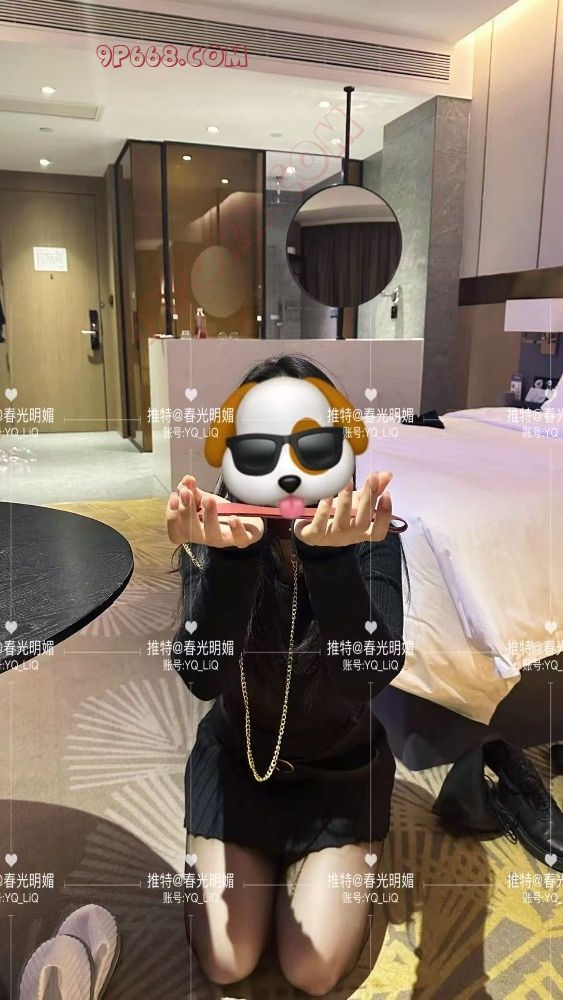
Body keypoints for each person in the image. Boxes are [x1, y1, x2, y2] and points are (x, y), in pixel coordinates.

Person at [166, 354, 407, 997]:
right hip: (239, 762)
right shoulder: (215, 531)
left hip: (340, 772)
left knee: (312, 969)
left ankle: (331, 859)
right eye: (258, 450)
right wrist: (232, 562)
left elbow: (367, 679)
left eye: (314, 447)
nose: (288, 472)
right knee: (227, 960)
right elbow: (201, 676)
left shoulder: (371, 534)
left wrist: (331, 564)